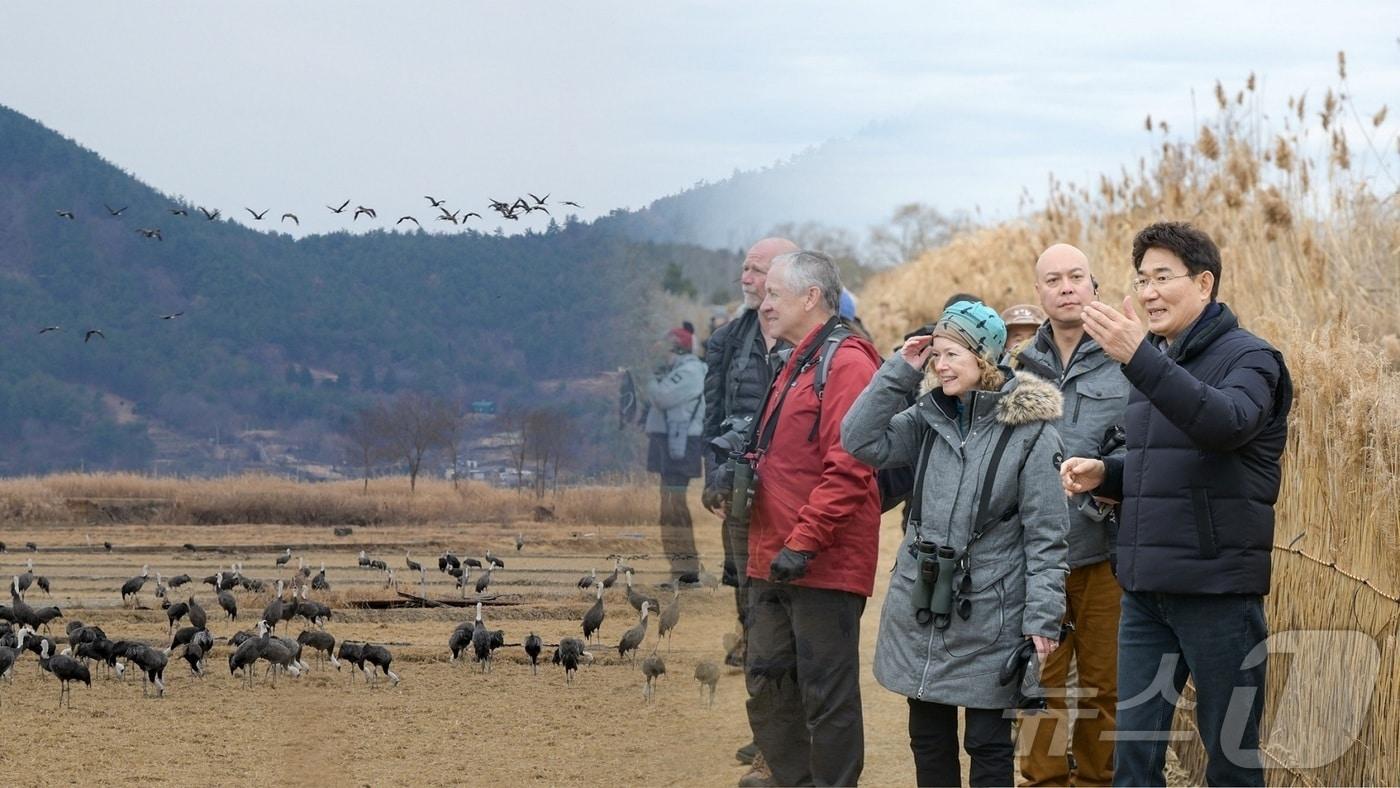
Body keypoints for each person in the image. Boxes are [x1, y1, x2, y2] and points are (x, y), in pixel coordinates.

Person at [1060, 222, 1292, 787]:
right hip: (1145, 591)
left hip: (1217, 591)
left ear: (1205, 283)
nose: (1148, 293)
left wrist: (1140, 358)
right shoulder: (1156, 363)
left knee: (1230, 755)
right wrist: (1107, 474)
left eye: (1163, 277)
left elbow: (1225, 424)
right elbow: (1161, 463)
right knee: (1133, 757)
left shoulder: (1253, 358)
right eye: (1141, 280)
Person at [842, 299, 1069, 787]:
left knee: (988, 743)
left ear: (984, 358)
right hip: (924, 601)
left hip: (992, 610)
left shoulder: (1032, 432)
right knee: (927, 738)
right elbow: (859, 440)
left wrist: (1042, 619)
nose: (940, 366)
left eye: (953, 355)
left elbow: (1048, 535)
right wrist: (899, 371)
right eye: (936, 355)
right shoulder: (928, 418)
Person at [744, 250, 883, 787]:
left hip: (822, 562)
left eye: (775, 294)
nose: (764, 303)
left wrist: (802, 542)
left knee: (826, 698)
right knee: (768, 688)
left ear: (810, 297)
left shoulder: (846, 363)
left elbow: (850, 464)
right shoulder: (794, 362)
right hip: (771, 558)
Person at [1014, 245, 1128, 787]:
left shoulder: (1130, 358)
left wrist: (1112, 474)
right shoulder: (1017, 369)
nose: (1066, 287)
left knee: (1107, 684)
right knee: (1041, 684)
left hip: (1106, 551)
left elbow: (1148, 443)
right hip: (1036, 559)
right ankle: (1044, 781)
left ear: (1094, 285)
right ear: (1038, 293)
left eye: (1076, 277)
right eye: (1053, 279)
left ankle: (1099, 780)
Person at [700, 236, 798, 785]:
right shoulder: (726, 342)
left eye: (758, 270)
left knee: (791, 623)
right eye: (745, 267)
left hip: (795, 507)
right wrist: (712, 485)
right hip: (741, 505)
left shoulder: (820, 342)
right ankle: (768, 736)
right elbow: (713, 423)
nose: (747, 277)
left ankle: (781, 745)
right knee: (751, 617)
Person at [644, 324, 706, 579]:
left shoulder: (690, 371)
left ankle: (687, 569)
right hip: (669, 445)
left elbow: (661, 397)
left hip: (681, 447)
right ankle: (680, 567)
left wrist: (646, 376)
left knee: (675, 507)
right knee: (669, 507)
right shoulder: (676, 370)